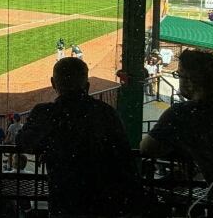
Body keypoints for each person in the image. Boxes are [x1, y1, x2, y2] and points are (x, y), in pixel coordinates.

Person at [16, 57, 143, 217]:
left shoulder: (45, 113)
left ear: (53, 83)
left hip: (64, 201)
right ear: (87, 86)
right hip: (103, 202)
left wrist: (47, 147)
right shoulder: (105, 112)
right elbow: (123, 154)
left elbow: (22, 142)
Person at [140, 49, 213, 214]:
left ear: (192, 81)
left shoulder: (182, 113)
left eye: (180, 75)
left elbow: (147, 148)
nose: (179, 80)